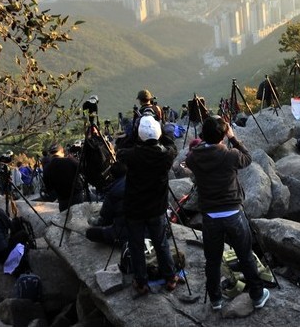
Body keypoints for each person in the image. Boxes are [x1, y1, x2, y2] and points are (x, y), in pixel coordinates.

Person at [185, 115, 270, 311]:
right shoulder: (230, 155)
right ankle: (257, 296)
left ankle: (215, 299)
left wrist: (204, 142)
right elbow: (248, 158)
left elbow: (191, 157)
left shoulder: (193, 158)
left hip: (210, 217)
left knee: (213, 260)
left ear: (203, 135)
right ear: (223, 136)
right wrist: (233, 138)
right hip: (233, 214)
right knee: (245, 256)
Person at [118, 115, 181, 297]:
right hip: (157, 208)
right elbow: (172, 145)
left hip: (134, 209)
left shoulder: (131, 155)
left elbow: (120, 149)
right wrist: (159, 131)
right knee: (161, 243)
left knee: (136, 245)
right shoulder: (166, 155)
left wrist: (133, 133)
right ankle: (170, 277)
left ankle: (141, 281)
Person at [85, 161, 128, 246]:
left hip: (125, 232)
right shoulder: (138, 182)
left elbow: (105, 216)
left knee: (90, 233)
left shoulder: (113, 192)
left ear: (112, 175)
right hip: (146, 226)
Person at [42, 143, 85, 212]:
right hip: (77, 196)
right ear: (62, 151)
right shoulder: (69, 161)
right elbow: (83, 170)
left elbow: (48, 188)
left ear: (50, 154)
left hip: (62, 200)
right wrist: (74, 160)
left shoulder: (47, 168)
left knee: (66, 221)